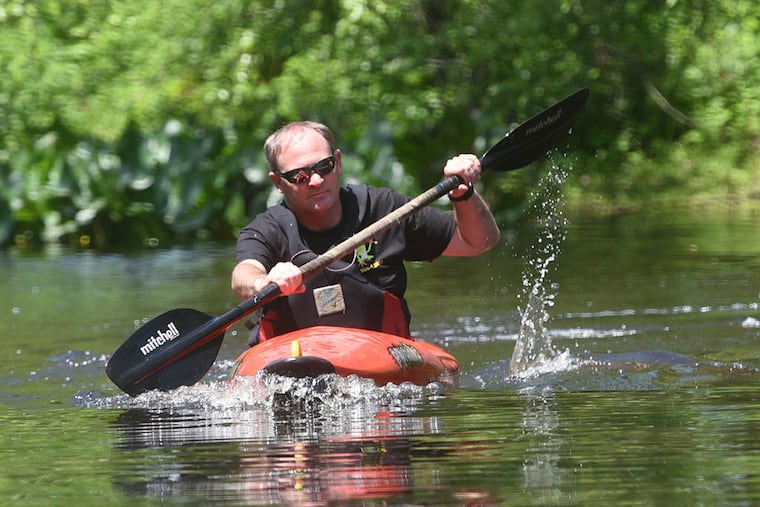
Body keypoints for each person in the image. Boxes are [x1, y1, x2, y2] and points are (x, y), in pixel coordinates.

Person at [231, 121, 500, 345]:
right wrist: (262, 283)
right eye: (299, 176)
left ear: (337, 162)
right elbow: (243, 273)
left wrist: (463, 194)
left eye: (323, 167)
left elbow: (478, 242)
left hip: (381, 355)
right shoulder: (266, 229)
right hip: (292, 361)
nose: (315, 181)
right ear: (278, 182)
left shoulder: (384, 209)